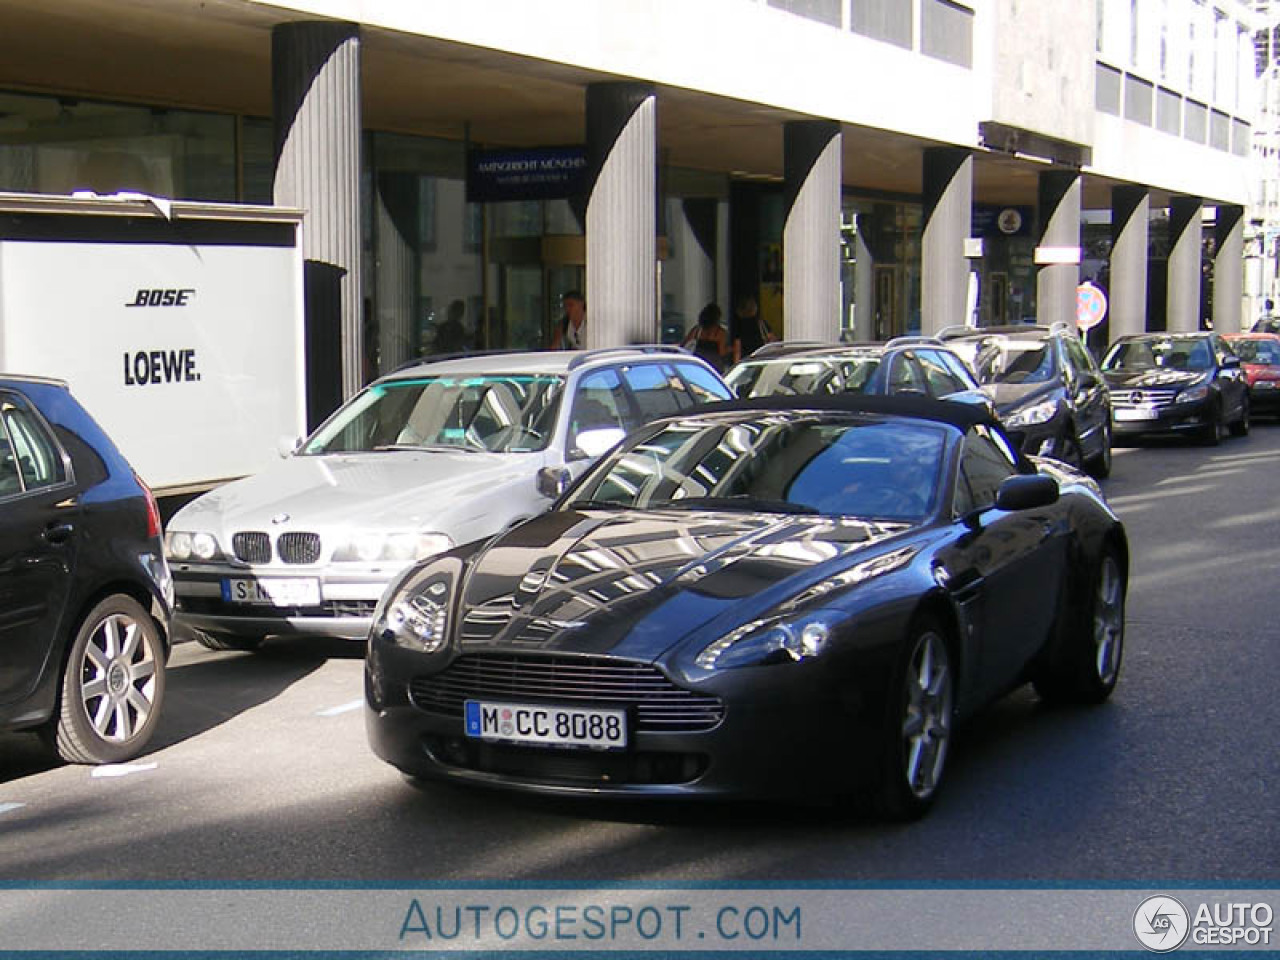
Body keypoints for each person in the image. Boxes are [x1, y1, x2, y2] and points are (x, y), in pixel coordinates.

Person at [682, 302, 729, 372]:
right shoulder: (720, 332)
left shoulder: (697, 330)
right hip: (714, 366)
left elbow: (684, 344)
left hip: (699, 364)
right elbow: (722, 352)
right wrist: (732, 349)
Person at [730, 294, 774, 362]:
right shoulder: (760, 322)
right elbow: (771, 338)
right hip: (761, 356)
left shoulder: (739, 325)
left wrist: (736, 363)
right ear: (754, 308)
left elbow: (737, 348)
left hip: (746, 359)